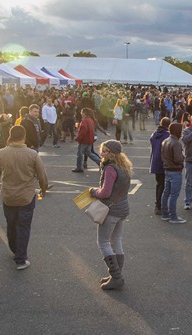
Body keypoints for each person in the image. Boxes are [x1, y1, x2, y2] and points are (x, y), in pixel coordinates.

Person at [0, 125, 48, 270]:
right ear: (24, 137)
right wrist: (43, 190)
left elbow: (0, 167)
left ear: (10, 136)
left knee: (11, 224)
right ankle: (20, 258)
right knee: (23, 226)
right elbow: (42, 176)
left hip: (8, 195)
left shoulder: (0, 153)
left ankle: (14, 248)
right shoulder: (32, 154)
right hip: (26, 195)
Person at [89, 140, 132, 290]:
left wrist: (93, 192)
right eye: (101, 150)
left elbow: (105, 192)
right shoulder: (124, 166)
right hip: (123, 208)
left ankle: (116, 277)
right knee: (116, 240)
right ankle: (116, 274)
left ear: (112, 153)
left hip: (111, 210)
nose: (101, 153)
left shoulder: (110, 169)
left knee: (103, 242)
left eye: (105, 151)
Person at [160, 123, 186, 224]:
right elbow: (177, 159)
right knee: (174, 195)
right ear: (177, 131)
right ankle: (173, 216)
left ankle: (164, 213)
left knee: (166, 192)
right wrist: (183, 156)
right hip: (175, 171)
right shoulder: (176, 143)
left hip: (167, 169)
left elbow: (162, 156)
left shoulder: (165, 141)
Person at [150, 117, 171, 215]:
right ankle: (160, 205)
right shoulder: (167, 135)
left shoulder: (154, 134)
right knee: (164, 185)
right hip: (163, 162)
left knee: (159, 184)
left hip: (155, 161)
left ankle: (158, 204)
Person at [72, 108, 102, 173]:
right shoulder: (90, 120)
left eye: (81, 112)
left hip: (84, 140)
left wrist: (78, 138)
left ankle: (79, 167)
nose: (81, 113)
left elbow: (83, 131)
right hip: (90, 139)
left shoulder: (85, 121)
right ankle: (100, 162)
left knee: (80, 154)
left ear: (84, 113)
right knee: (89, 153)